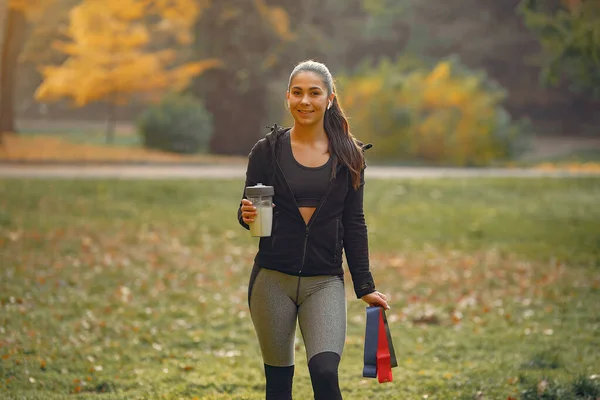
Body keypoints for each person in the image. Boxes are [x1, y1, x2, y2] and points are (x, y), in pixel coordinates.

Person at [237, 60, 389, 400]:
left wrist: (365, 285)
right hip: (272, 280)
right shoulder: (266, 151)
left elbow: (354, 222)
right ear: (287, 98)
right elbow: (247, 208)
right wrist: (245, 213)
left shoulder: (349, 155)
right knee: (278, 386)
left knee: (324, 372)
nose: (305, 101)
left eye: (314, 93)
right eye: (297, 93)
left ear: (330, 99)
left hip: (324, 281)